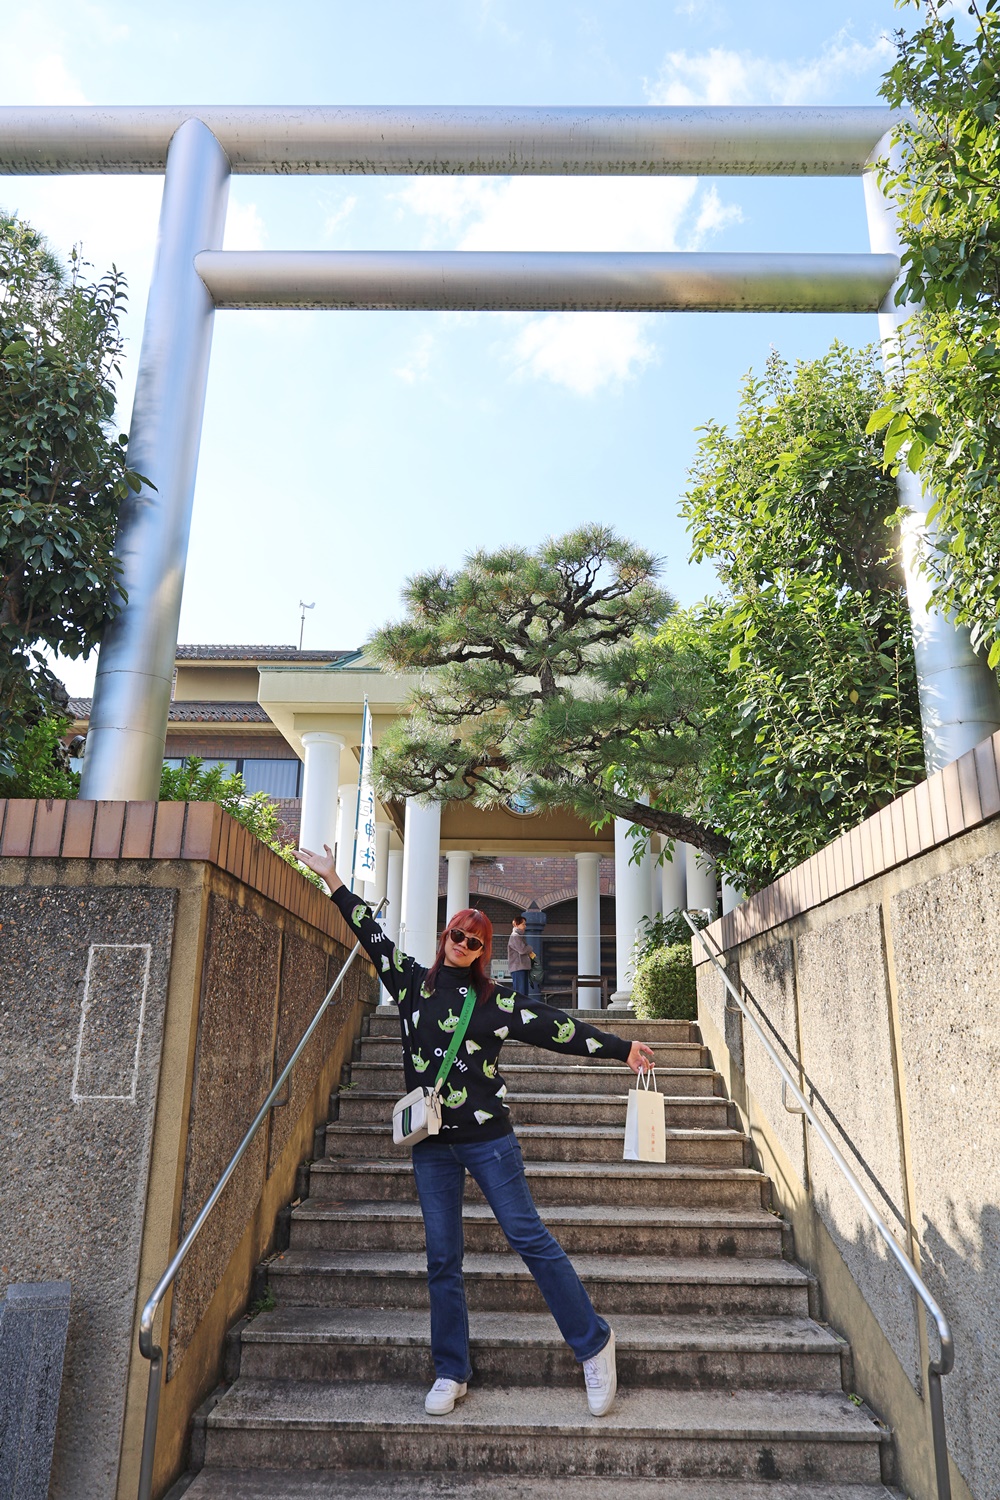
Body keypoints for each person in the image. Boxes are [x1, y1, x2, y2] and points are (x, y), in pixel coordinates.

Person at [296, 842, 654, 1421]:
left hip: (489, 1140)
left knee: (528, 1237)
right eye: (456, 934)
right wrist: (334, 877)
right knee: (442, 1258)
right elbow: (372, 935)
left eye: (474, 940)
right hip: (431, 1146)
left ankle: (594, 1344)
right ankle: (450, 1368)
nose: (462, 944)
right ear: (443, 936)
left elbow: (559, 1029)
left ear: (485, 951)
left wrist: (622, 1048)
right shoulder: (410, 983)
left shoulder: (496, 1002)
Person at [507, 914, 533, 996]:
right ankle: (520, 1008)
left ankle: (522, 1007)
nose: (525, 926)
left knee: (523, 993)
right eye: (523, 924)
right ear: (516, 925)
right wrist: (530, 948)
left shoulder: (519, 936)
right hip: (518, 967)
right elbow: (522, 950)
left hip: (521, 967)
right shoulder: (515, 936)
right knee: (520, 993)